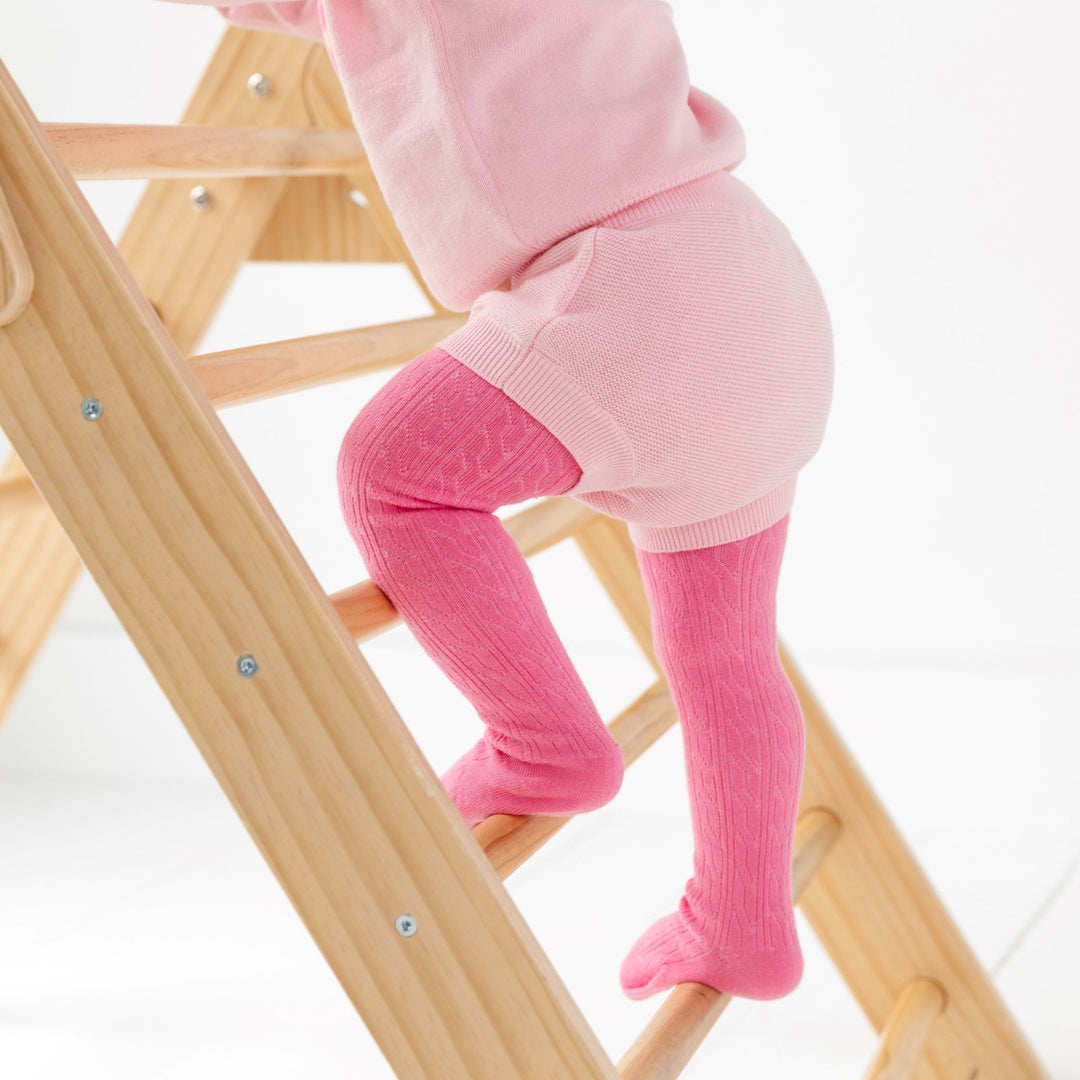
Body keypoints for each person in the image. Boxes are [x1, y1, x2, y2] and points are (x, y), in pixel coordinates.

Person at [162, 0, 835, 1002]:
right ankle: (743, 919)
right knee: (727, 657)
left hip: (636, 292)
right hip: (754, 282)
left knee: (394, 474)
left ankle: (539, 741)